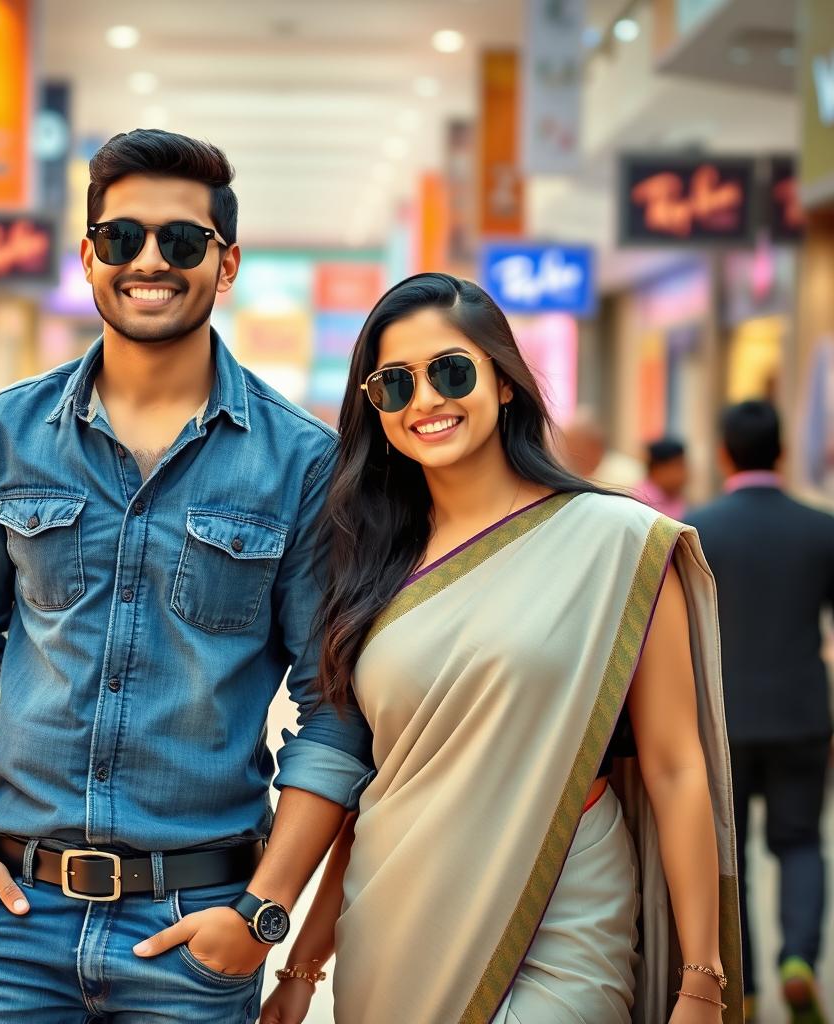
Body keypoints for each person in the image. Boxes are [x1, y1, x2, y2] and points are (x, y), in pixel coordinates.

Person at [0, 130, 373, 1024]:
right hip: (13, 926)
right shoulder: (0, 438)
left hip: (194, 930)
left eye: (182, 241)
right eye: (122, 238)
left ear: (225, 265)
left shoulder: (303, 463)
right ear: (87, 257)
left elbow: (334, 709)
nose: (149, 261)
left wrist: (262, 916)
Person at [261, 274, 742, 1024]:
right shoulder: (370, 563)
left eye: (451, 372)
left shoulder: (615, 544)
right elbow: (382, 779)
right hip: (398, 914)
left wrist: (701, 979)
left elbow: (677, 766)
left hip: (561, 896)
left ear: (505, 382)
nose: (425, 401)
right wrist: (302, 964)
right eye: (395, 384)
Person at [686, 401, 833, 1024]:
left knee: (730, 855)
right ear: (781, 452)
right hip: (802, 713)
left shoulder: (698, 529)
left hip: (722, 720)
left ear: (723, 452)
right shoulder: (821, 528)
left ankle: (738, 989)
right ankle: (798, 960)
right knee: (800, 841)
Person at [558, 405, 644, 492]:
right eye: (566, 444)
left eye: (576, 444)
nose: (569, 451)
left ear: (594, 444)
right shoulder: (563, 475)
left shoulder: (631, 473)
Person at [638, 436, 689, 520]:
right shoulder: (641, 501)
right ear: (657, 469)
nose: (685, 473)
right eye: (678, 466)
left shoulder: (677, 497)